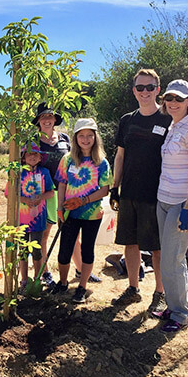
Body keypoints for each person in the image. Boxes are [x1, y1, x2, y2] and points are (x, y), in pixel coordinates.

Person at [110, 69, 171, 315]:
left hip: (157, 194)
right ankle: (133, 289)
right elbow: (120, 156)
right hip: (129, 193)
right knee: (130, 243)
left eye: (150, 87)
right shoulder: (127, 120)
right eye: (140, 87)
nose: (144, 92)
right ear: (134, 90)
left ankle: (160, 293)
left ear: (158, 89)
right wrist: (115, 187)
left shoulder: (168, 119)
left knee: (157, 247)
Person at [153, 79, 188, 332]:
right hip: (164, 199)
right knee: (170, 258)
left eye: (179, 99)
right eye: (169, 98)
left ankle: (181, 314)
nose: (173, 103)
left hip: (182, 203)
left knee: (172, 261)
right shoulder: (173, 127)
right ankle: (174, 307)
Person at [34, 102, 102, 284]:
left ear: (55, 119)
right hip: (45, 193)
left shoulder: (64, 138)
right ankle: (45, 272)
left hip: (68, 192)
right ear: (38, 121)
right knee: (44, 234)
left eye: (50, 116)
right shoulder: (33, 141)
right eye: (43, 117)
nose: (47, 120)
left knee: (72, 234)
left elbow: (77, 161)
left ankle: (81, 270)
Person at [52, 118, 111, 303]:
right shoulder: (68, 159)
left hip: (91, 214)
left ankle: (82, 287)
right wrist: (59, 207)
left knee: (87, 250)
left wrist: (83, 200)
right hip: (70, 212)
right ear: (76, 138)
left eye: (89, 136)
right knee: (64, 250)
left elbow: (104, 189)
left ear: (95, 137)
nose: (85, 140)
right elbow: (62, 184)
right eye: (81, 136)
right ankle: (62, 283)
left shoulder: (101, 162)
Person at [5, 143, 54, 292]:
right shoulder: (17, 173)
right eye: (28, 154)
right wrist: (24, 200)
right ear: (23, 157)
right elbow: (8, 193)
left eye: (35, 154)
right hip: (22, 219)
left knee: (37, 249)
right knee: (23, 250)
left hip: (38, 219)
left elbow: (51, 192)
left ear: (40, 158)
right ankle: (24, 280)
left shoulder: (44, 172)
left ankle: (37, 279)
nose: (32, 156)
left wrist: (41, 197)